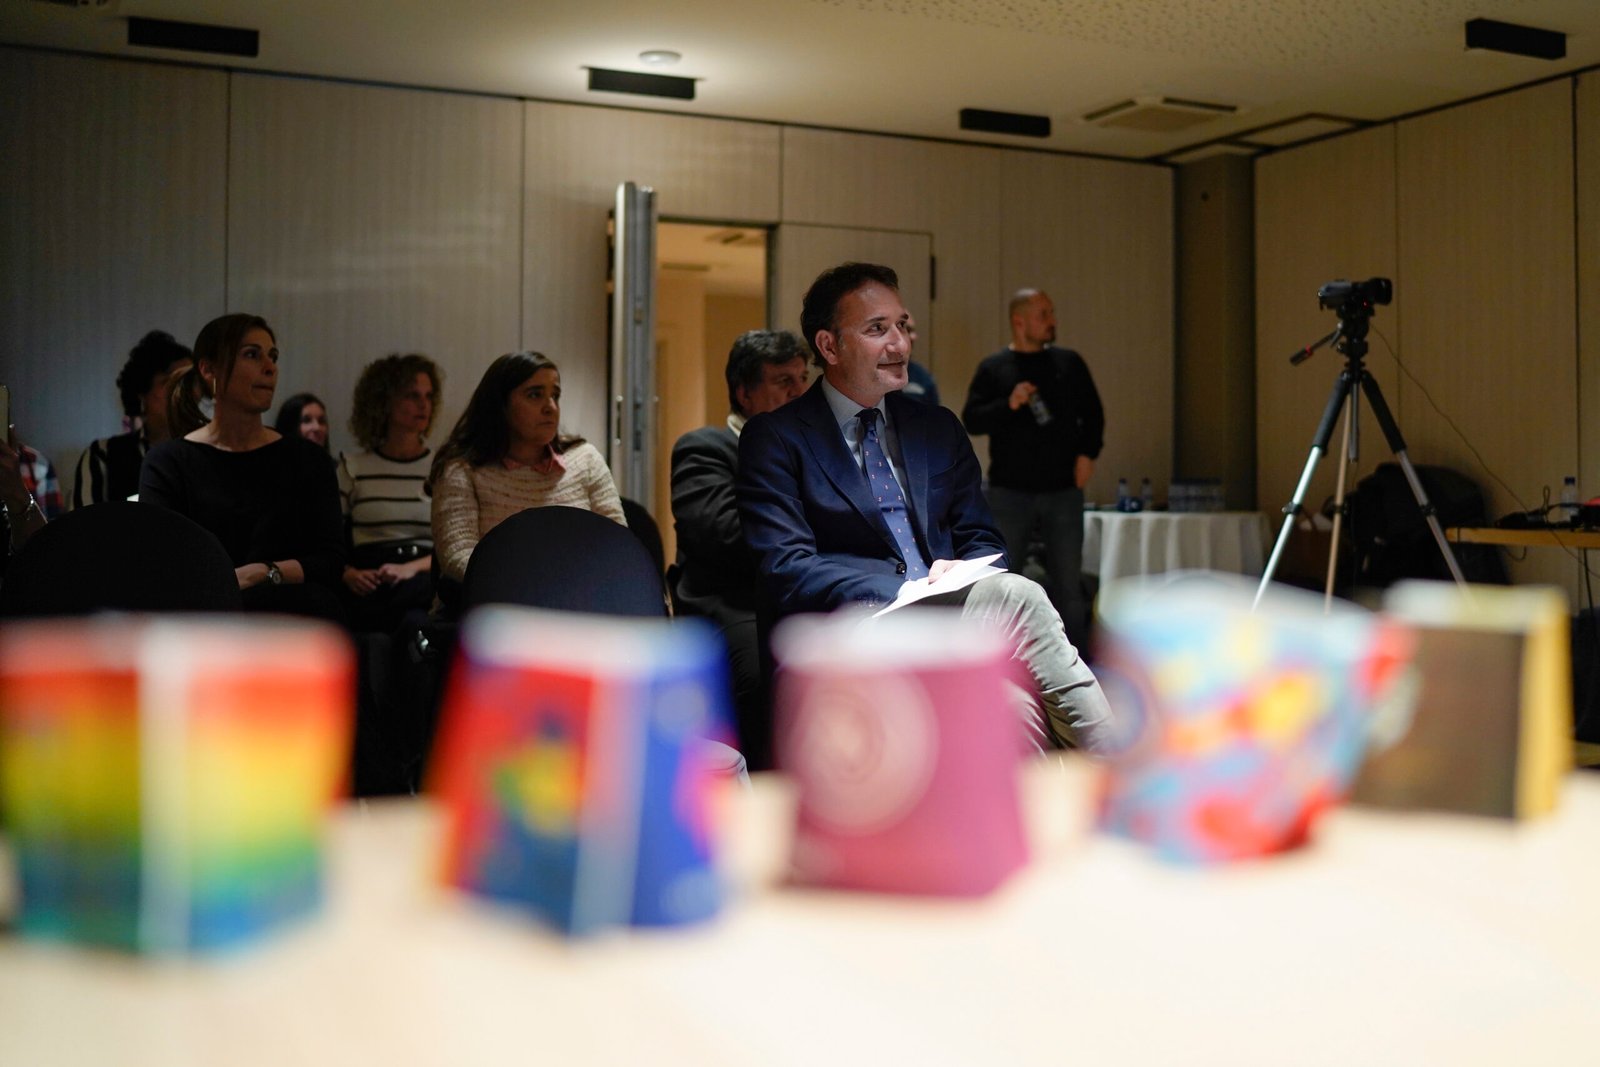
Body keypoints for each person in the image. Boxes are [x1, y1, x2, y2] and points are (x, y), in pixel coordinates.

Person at [736, 262, 1112, 751]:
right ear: (829, 346)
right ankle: (1127, 774)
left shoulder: (936, 427)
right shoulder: (776, 438)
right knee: (1019, 597)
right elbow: (786, 568)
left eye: (902, 325)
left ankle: (1041, 818)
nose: (900, 343)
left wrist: (965, 570)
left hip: (951, 620)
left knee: (1013, 710)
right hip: (850, 630)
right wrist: (909, 590)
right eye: (877, 329)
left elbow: (984, 540)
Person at [139, 314, 346, 620]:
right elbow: (162, 563)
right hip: (207, 620)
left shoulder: (308, 460)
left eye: (272, 356)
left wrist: (264, 572)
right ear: (209, 369)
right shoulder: (168, 462)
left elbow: (331, 561)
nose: (270, 367)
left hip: (295, 617)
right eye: (252, 354)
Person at [671, 329, 808, 766]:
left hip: (804, 593)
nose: (800, 391)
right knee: (762, 669)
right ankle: (762, 799)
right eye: (784, 381)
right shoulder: (705, 447)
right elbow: (724, 536)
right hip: (731, 601)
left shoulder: (817, 451)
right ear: (744, 392)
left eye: (803, 379)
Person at [961, 288, 1104, 648]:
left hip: (1063, 490)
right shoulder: (994, 369)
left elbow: (1094, 414)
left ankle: (1078, 668)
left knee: (1069, 586)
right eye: (1044, 314)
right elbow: (972, 420)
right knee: (1002, 582)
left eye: (1052, 313)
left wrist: (1088, 455)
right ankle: (997, 664)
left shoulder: (1069, 364)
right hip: (1009, 492)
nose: (1052, 321)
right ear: (1019, 321)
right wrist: (1008, 404)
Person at [428, 352, 624, 589]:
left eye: (555, 395)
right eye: (535, 395)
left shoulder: (585, 459)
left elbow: (618, 546)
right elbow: (457, 557)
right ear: (500, 405)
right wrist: (533, 584)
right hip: (493, 605)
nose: (551, 407)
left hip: (578, 599)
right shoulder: (462, 469)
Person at [338, 353, 442, 631]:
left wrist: (410, 568)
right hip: (369, 576)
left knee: (417, 615)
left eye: (429, 396)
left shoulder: (443, 467)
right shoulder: (352, 467)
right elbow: (327, 538)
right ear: (384, 402)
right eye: (412, 395)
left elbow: (454, 545)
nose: (424, 405)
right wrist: (347, 573)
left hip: (422, 573)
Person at [900, 312, 942, 408]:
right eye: (907, 329)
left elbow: (934, 415)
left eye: (913, 331)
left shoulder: (922, 376)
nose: (914, 337)